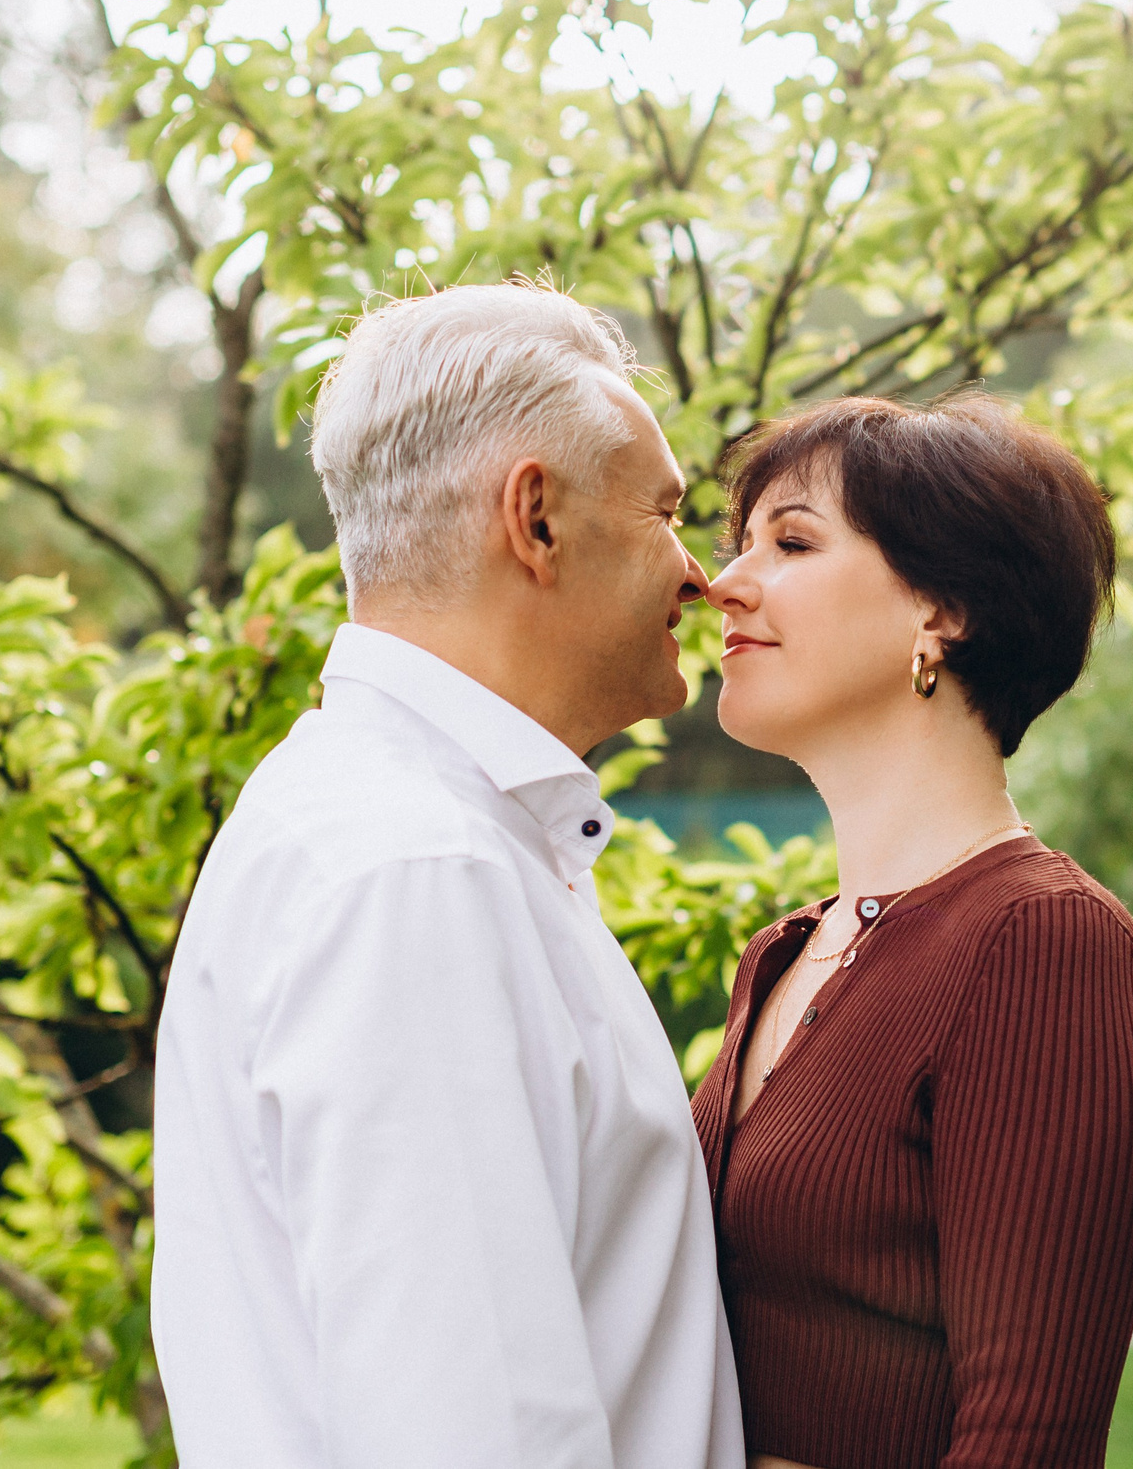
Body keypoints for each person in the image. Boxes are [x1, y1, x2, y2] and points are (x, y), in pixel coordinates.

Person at [152, 281, 742, 1469]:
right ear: (536, 519)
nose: (699, 575)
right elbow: (477, 1432)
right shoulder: (415, 872)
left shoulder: (401, 830)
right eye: (667, 513)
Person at [691, 394, 1133, 1469]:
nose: (725, 581)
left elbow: (1028, 1442)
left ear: (943, 609)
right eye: (739, 544)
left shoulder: (1042, 946)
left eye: (792, 541)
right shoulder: (781, 955)